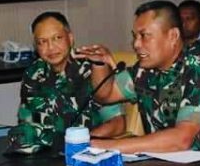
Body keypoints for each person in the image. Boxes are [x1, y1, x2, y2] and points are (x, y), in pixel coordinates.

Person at [75, 1, 200, 154]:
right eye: (135, 36)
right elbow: (106, 94)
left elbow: (182, 139)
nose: (136, 44)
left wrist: (106, 146)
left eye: (144, 36)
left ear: (173, 36)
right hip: (170, 162)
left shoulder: (198, 71)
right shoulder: (144, 70)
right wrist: (99, 64)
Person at [7, 12, 125, 153]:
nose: (51, 47)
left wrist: (79, 141)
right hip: (47, 152)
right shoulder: (33, 73)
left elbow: (118, 124)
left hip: (88, 151)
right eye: (42, 42)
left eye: (57, 38)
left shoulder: (93, 69)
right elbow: (27, 121)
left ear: (70, 38)